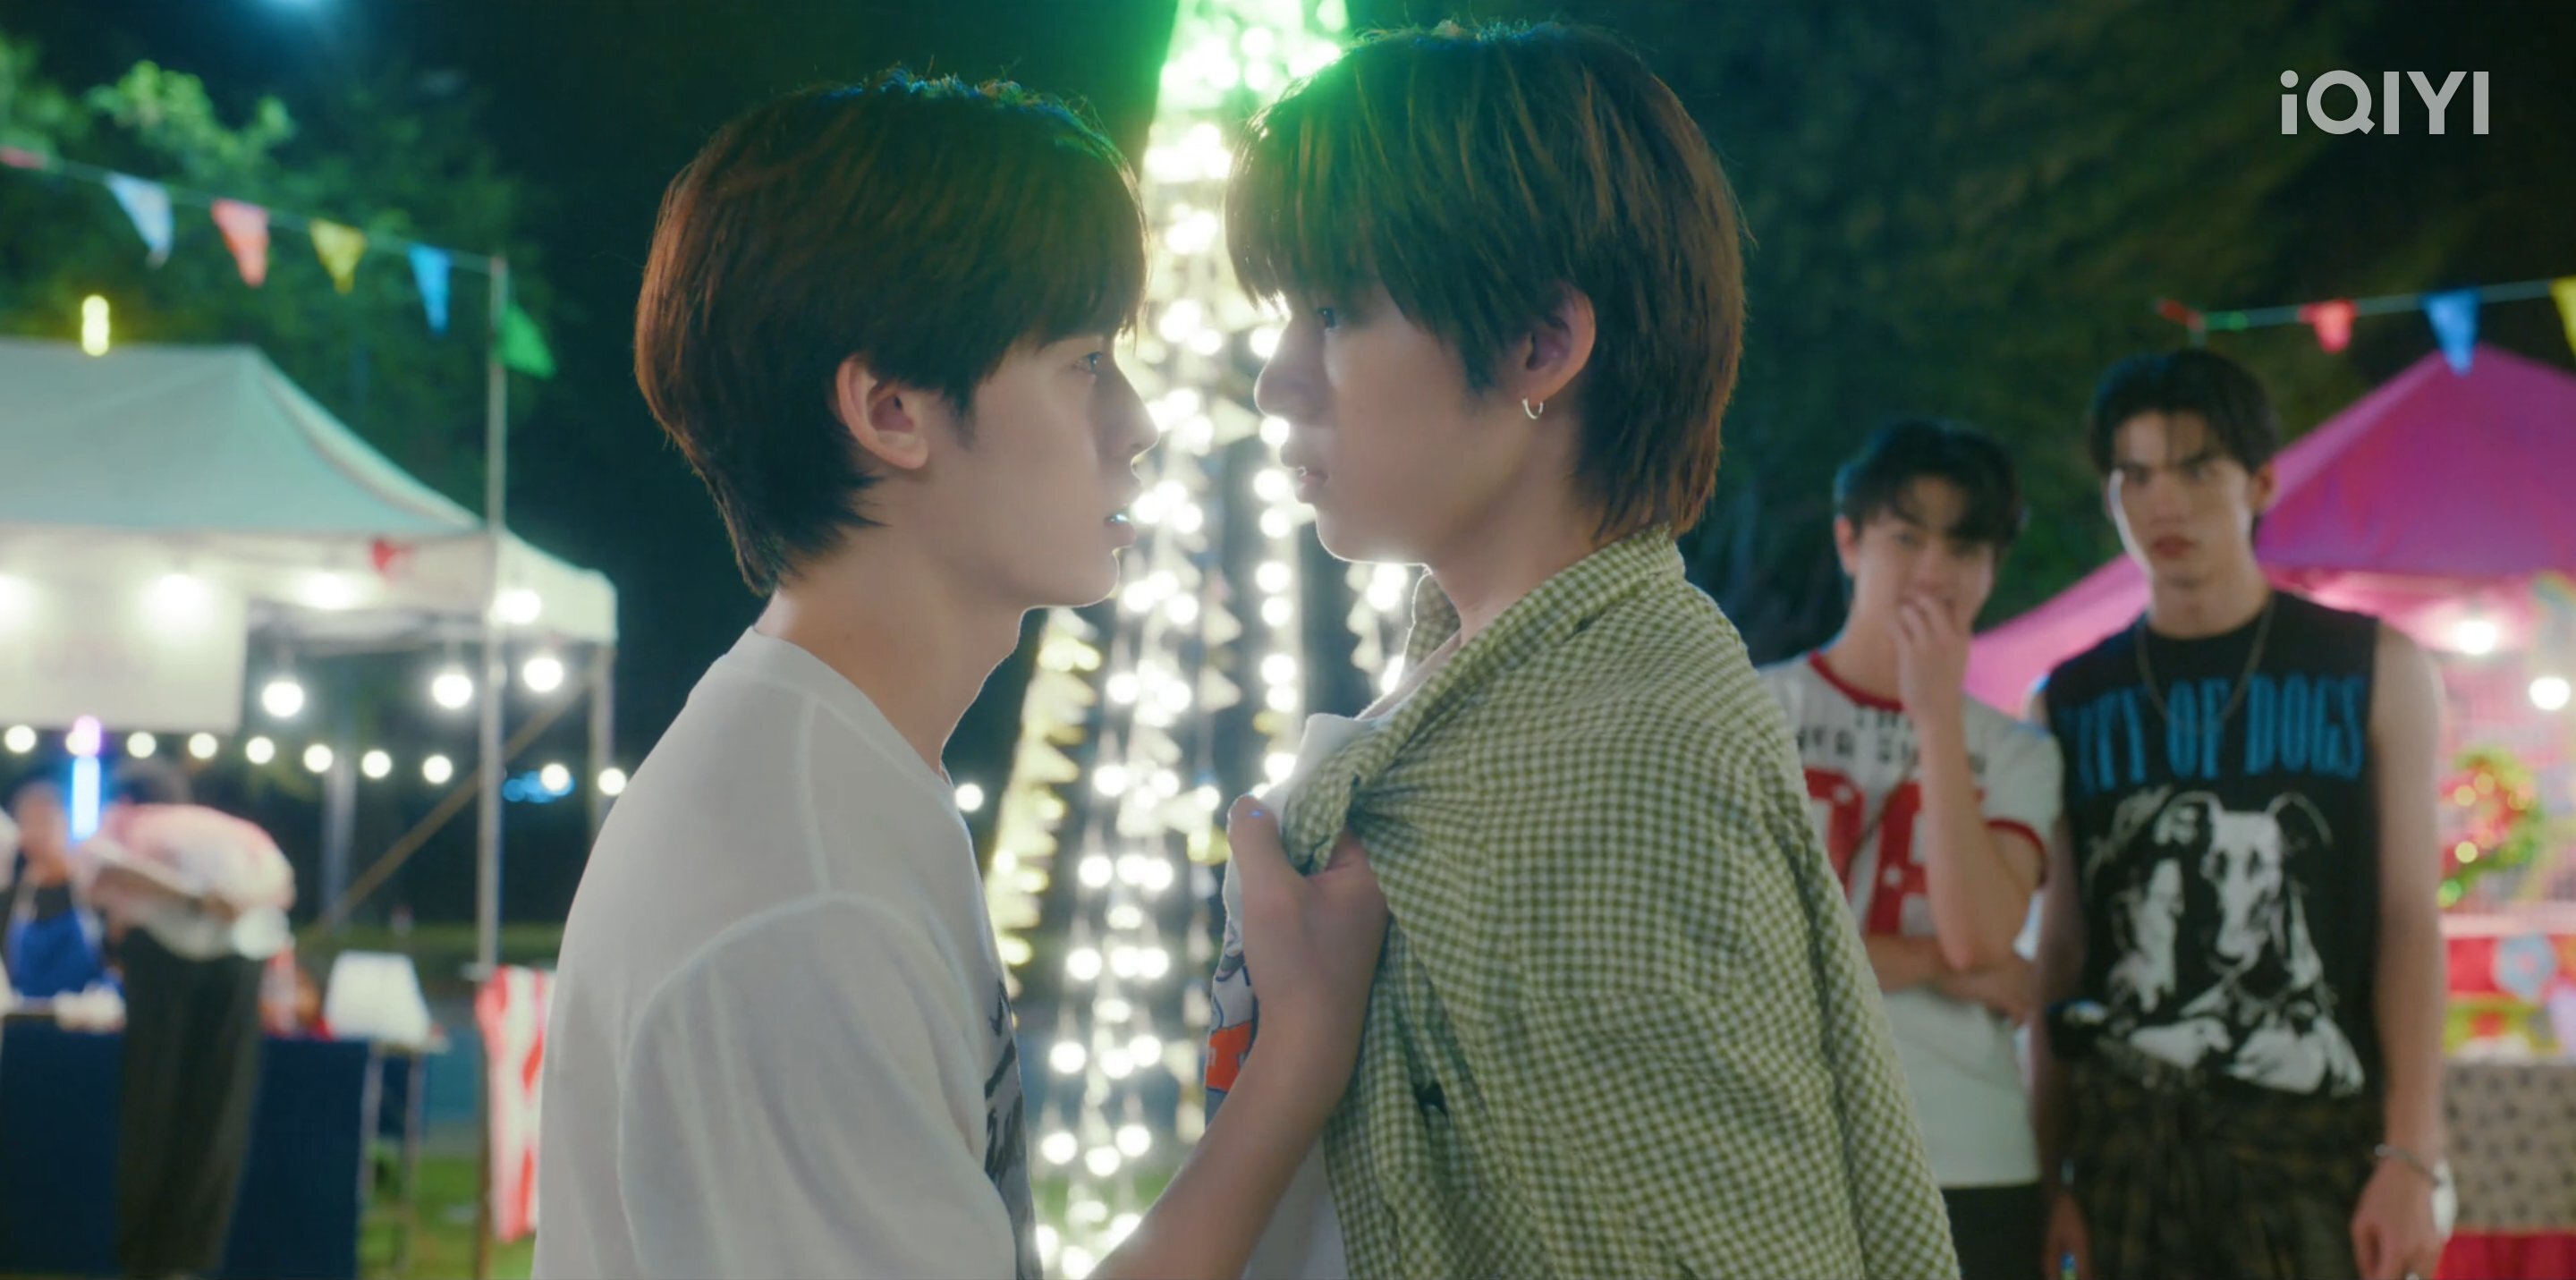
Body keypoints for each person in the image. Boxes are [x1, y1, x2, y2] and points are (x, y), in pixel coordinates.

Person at [535, 72, 1388, 1280]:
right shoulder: (801, 898)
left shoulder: (838, 771)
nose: (1139, 423)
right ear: (892, 410)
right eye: (1085, 362)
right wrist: (1299, 1053)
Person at [1203, 21, 1954, 1277]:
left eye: (1332, 312)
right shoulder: (1497, 690)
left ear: (1541, 345)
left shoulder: (1624, 757)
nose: (1278, 381)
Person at [2030, 348, 2450, 1280]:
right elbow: (2061, 945)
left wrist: (2412, 1153)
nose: (2163, 504)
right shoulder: (2069, 698)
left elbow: (2408, 918)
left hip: (2313, 1145)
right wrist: (2048, 1176)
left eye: (2195, 469)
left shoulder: (2373, 667)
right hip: (2126, 1149)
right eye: (2134, 475)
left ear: (2259, 482)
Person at [1758, 420, 2059, 1280]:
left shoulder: (2017, 750)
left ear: (1992, 567)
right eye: (1906, 537)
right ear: (1849, 541)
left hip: (1970, 1152)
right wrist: (1929, 963)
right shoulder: (1755, 711)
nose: (1934, 570)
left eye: (1964, 547)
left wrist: (1934, 715)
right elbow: (1748, 950)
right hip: (1785, 1144)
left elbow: (1981, 939)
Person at [76, 759, 296, 1280]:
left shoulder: (130, 820)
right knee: (219, 1110)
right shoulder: (239, 830)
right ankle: (190, 1259)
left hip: (164, 957)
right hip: (237, 958)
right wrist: (233, 901)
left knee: (152, 1105)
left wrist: (193, 898)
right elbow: (282, 883)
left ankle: (145, 1258)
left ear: (126, 798)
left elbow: (101, 867)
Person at [5, 774, 113, 1000]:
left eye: (44, 822)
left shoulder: (94, 890)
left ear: (66, 822)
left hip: (89, 1017)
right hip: (25, 1018)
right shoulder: (10, 899)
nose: (36, 833)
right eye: (27, 823)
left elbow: (117, 961)